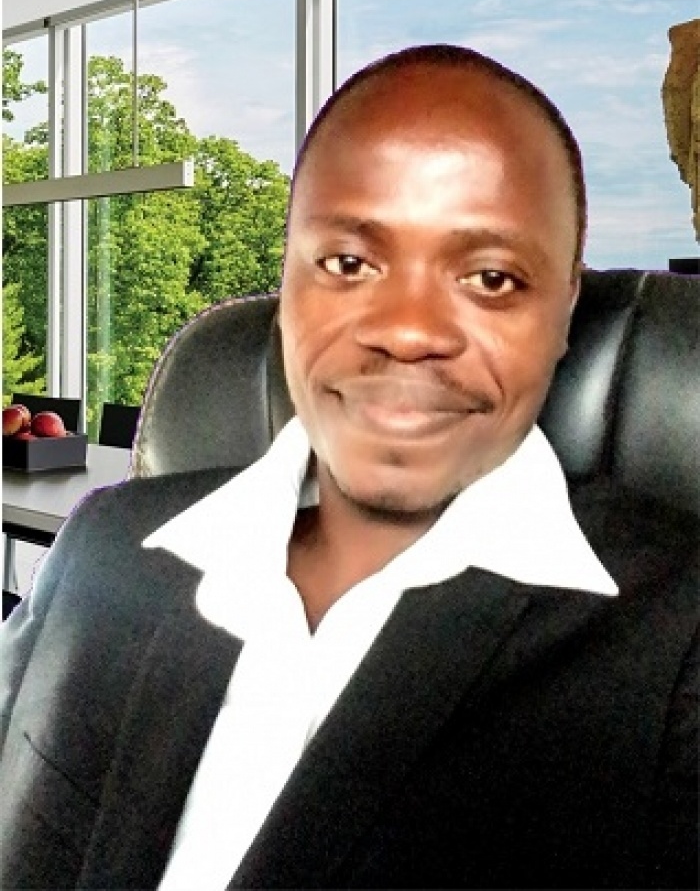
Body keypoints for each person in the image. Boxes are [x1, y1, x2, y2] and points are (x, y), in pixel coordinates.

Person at [0, 45, 697, 891]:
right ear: (287, 284)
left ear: (564, 311)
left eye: (490, 278)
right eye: (347, 264)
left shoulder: (679, 645)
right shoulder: (105, 550)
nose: (407, 330)